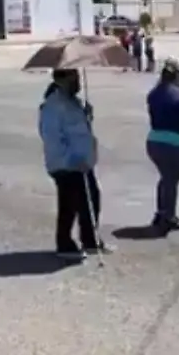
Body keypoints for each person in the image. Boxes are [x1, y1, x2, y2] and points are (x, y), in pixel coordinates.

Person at [38, 69, 109, 259]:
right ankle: (65, 244)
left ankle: (90, 240)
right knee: (69, 205)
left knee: (91, 199)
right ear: (60, 79)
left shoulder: (73, 102)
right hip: (65, 163)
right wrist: (70, 159)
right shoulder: (53, 106)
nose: (77, 82)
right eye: (73, 78)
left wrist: (87, 115)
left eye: (77, 77)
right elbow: (52, 138)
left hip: (82, 162)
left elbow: (79, 130)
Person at [146, 56, 179, 234]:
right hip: (175, 144)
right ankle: (169, 216)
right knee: (171, 180)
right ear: (177, 76)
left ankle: (162, 213)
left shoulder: (153, 93)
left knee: (165, 179)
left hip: (154, 141)